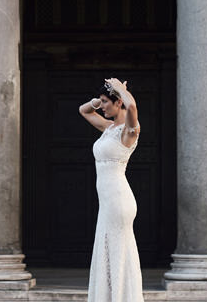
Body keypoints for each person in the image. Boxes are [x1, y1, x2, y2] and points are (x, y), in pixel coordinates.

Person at [78, 77, 143, 302]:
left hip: (118, 201)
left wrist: (120, 89)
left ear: (119, 103)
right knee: (107, 250)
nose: (102, 106)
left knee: (118, 252)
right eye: (102, 102)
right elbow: (83, 111)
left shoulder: (129, 132)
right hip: (107, 202)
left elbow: (132, 106)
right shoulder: (109, 128)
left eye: (107, 102)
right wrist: (100, 99)